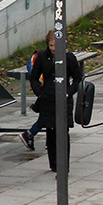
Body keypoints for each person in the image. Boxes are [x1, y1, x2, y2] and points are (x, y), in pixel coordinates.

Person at [30, 31, 83, 173]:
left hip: (63, 98)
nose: (53, 48)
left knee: (63, 132)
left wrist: (68, 92)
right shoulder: (43, 57)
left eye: (55, 45)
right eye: (51, 45)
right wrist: (39, 93)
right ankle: (53, 164)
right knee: (50, 132)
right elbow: (34, 77)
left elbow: (78, 78)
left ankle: (63, 165)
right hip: (47, 99)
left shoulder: (69, 58)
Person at [20, 49, 41, 151]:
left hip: (47, 89)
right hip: (45, 89)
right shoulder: (38, 58)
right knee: (49, 115)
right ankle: (29, 133)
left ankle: (30, 134)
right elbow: (36, 78)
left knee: (50, 115)